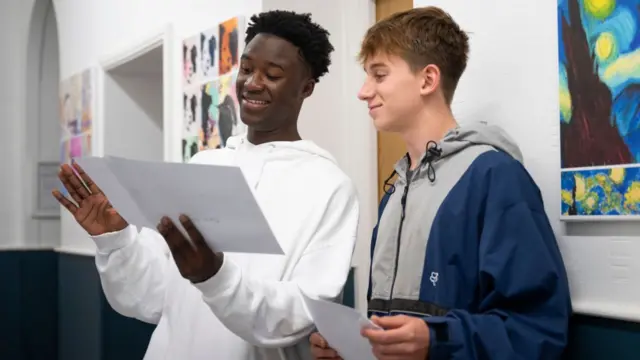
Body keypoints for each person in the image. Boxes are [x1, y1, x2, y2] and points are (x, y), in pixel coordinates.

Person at [54, 10, 360, 360]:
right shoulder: (205, 165)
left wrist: (214, 277)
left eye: (272, 74)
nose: (253, 83)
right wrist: (116, 239)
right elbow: (151, 298)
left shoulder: (327, 186)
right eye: (246, 69)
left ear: (306, 88)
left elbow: (302, 313)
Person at [310, 6, 571, 360]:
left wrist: (437, 341)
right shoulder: (395, 193)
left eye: (379, 75)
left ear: (428, 80)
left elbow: (537, 329)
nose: (363, 91)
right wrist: (356, 349)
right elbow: (397, 338)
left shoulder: (495, 177)